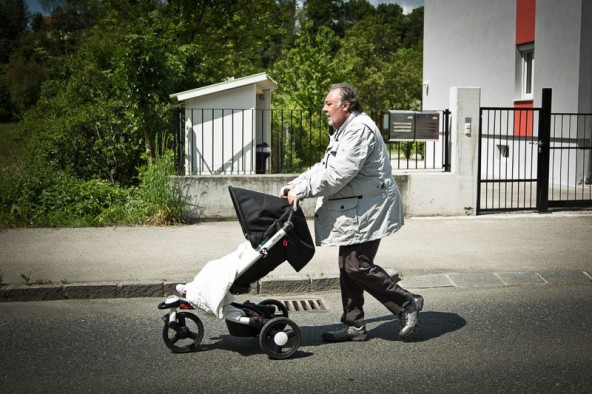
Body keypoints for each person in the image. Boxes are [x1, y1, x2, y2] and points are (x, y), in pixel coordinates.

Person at [280, 83, 423, 342]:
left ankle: (406, 302)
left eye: (328, 103)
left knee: (357, 265)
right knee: (347, 267)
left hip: (371, 207)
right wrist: (296, 184)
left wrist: (302, 190)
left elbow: (337, 175)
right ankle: (354, 325)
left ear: (346, 106)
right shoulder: (343, 130)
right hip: (356, 206)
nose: (323, 108)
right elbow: (324, 167)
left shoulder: (358, 130)